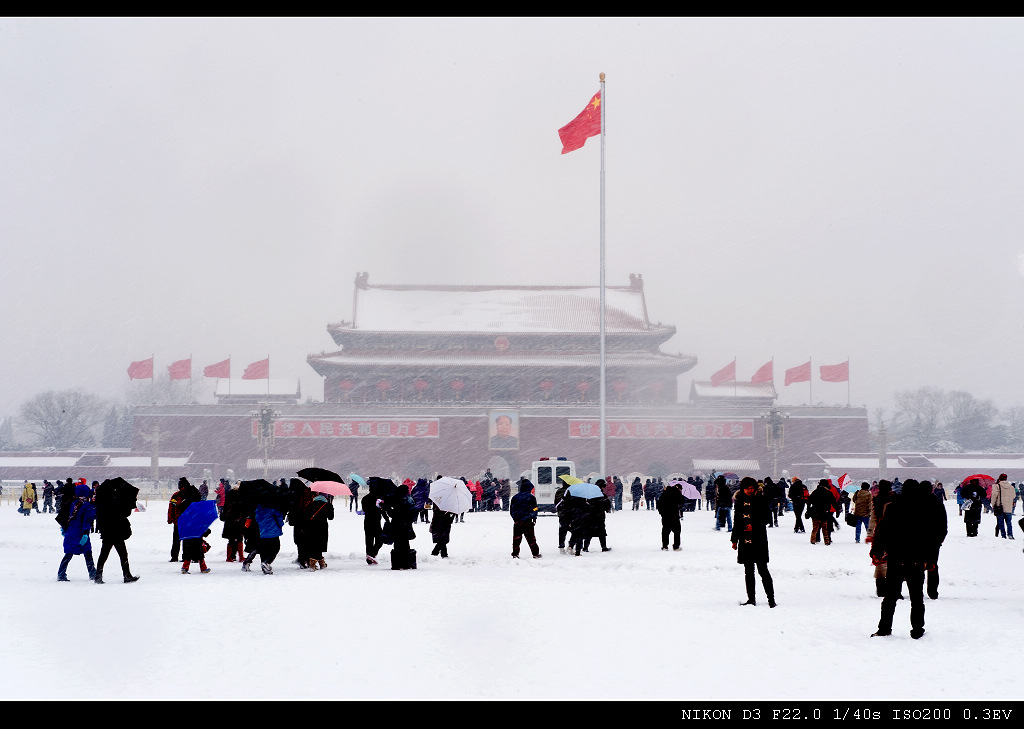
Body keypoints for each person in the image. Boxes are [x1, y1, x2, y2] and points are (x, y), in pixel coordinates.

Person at [870, 479, 947, 639]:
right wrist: (931, 558)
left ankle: (884, 628)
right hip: (917, 558)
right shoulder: (925, 510)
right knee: (916, 597)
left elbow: (882, 531)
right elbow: (933, 535)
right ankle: (917, 629)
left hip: (896, 556)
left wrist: (877, 550)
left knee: (890, 596)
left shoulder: (893, 507)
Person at [731, 477, 776, 608]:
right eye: (747, 488)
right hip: (744, 540)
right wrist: (734, 539)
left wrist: (754, 525)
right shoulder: (739, 501)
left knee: (763, 570)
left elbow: (767, 518)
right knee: (748, 571)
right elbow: (737, 521)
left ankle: (771, 599)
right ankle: (751, 599)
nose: (750, 490)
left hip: (759, 538)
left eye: (752, 488)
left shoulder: (761, 499)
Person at [93, 478, 140, 584]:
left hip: (107, 532)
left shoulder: (102, 501)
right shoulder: (117, 500)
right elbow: (125, 514)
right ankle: (126, 575)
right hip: (116, 531)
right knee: (123, 554)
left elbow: (100, 517)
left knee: (104, 554)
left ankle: (98, 576)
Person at [57, 482, 97, 582]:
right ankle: (92, 573)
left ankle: (61, 573)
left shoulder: (72, 503)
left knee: (68, 553)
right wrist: (85, 533)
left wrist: (64, 529)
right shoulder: (86, 505)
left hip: (70, 532)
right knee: (88, 553)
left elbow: (66, 516)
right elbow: (86, 521)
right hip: (80, 532)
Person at [167, 478, 199, 562]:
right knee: (177, 540)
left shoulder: (190, 495)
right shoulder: (176, 495)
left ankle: (185, 557)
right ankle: (174, 557)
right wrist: (170, 518)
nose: (181, 488)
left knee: (186, 541)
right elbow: (172, 506)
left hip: (186, 521)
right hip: (178, 520)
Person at [510, 479, 542, 558]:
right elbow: (535, 509)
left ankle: (515, 554)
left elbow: (512, 510)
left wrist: (515, 519)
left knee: (516, 539)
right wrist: (534, 518)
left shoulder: (515, 498)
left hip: (518, 521)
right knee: (531, 539)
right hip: (528, 521)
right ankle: (535, 553)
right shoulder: (531, 498)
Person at [304, 491, 334, 570]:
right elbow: (331, 517)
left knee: (313, 543)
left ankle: (320, 561)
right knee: (320, 544)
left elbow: (306, 515)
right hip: (322, 527)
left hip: (311, 527)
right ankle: (314, 562)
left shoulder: (310, 504)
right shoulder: (327, 505)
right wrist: (331, 507)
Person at [361, 478, 388, 565]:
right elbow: (383, 510)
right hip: (376, 521)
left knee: (369, 540)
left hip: (368, 521)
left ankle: (369, 556)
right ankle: (372, 554)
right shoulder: (379, 500)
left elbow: (365, 509)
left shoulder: (365, 498)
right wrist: (386, 518)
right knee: (379, 539)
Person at [806, 479, 836, 545]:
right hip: (824, 512)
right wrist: (837, 510)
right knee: (825, 528)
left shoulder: (815, 492)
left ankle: (813, 540)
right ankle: (827, 541)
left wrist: (808, 510)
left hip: (815, 511)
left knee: (815, 527)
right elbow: (833, 502)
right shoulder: (828, 493)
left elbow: (809, 501)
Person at [220, 487, 246, 562]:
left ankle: (229, 557)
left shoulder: (229, 498)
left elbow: (224, 513)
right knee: (239, 539)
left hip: (229, 522)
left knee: (231, 540)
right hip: (238, 521)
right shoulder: (240, 499)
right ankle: (241, 556)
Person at [657, 480, 684, 550]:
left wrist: (662, 513)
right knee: (677, 531)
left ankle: (665, 545)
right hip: (674, 514)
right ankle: (676, 545)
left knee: (665, 530)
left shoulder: (665, 493)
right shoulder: (677, 493)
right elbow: (682, 501)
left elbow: (659, 504)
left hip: (665, 515)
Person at [991, 474, 1015, 539]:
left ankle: (1003, 535)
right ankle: (1010, 534)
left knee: (1001, 523)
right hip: (1009, 507)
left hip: (1000, 507)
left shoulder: (997, 486)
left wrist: (992, 504)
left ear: (999, 479)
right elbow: (1013, 496)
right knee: (1009, 523)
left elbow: (994, 496)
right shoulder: (1011, 487)